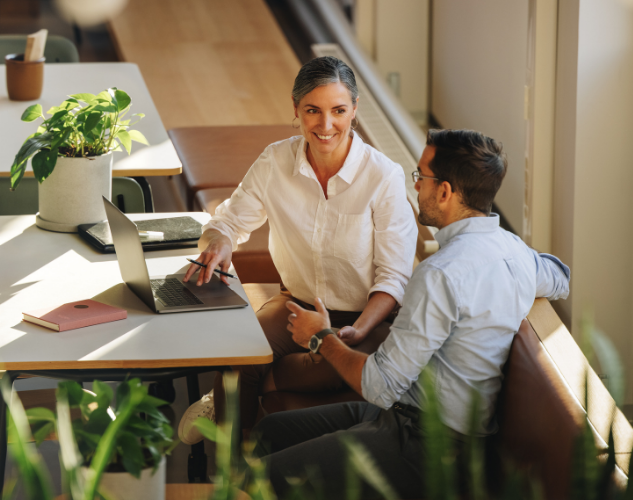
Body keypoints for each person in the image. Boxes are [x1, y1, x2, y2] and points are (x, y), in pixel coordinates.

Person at [252, 129, 571, 499]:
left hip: (429, 447)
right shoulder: (514, 251)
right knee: (269, 431)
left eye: (420, 177)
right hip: (413, 419)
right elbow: (560, 278)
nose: (415, 186)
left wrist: (321, 337)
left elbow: (378, 385)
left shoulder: (440, 274)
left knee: (263, 476)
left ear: (445, 191)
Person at [177, 56, 419, 443]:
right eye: (313, 111)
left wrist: (354, 331)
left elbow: (394, 278)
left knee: (337, 365)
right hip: (296, 306)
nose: (326, 125)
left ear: (354, 110)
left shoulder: (383, 176)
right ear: (296, 109)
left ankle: (253, 385)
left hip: (366, 318)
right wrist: (220, 243)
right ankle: (232, 471)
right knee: (238, 352)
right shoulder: (275, 161)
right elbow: (228, 222)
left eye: (339, 111)